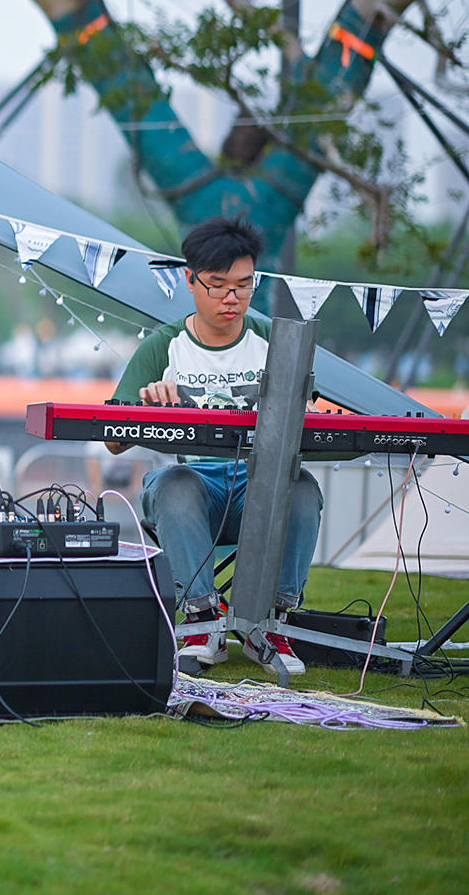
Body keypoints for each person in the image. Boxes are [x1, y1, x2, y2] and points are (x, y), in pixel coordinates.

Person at [106, 217, 320, 676]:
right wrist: (148, 407)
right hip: (197, 487)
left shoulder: (273, 342)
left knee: (300, 486)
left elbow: (309, 420)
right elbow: (112, 439)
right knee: (174, 482)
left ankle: (273, 621)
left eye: (244, 286)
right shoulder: (163, 346)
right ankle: (203, 621)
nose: (232, 298)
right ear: (190, 280)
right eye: (218, 285)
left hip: (255, 484)